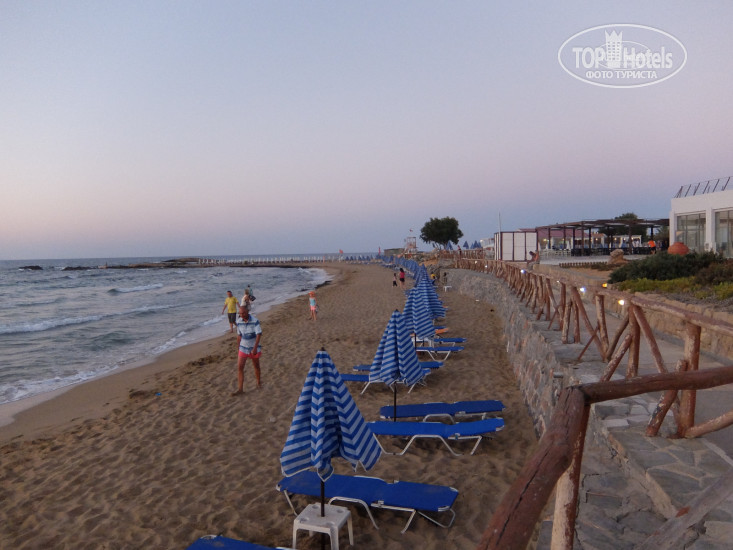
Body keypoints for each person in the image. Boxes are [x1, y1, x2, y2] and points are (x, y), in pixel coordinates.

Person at [232, 304, 262, 395]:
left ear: (247, 312)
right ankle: (240, 389)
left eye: (243, 313)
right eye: (240, 313)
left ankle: (258, 383)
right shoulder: (238, 322)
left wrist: (255, 348)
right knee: (240, 367)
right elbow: (239, 335)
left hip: (253, 347)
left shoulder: (255, 321)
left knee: (256, 366)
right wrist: (238, 346)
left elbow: (258, 334)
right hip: (243, 347)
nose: (242, 315)